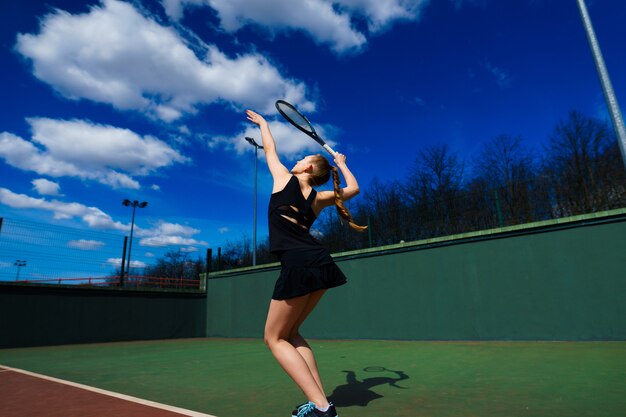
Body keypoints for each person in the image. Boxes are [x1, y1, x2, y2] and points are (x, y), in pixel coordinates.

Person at [246, 109, 365, 417]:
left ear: (309, 167)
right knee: (293, 332)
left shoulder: (284, 178)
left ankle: (323, 408)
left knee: (273, 338)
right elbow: (353, 190)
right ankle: (319, 401)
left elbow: (270, 150)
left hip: (299, 263)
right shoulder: (319, 197)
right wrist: (342, 165)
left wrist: (264, 124)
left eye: (302, 158)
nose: (296, 159)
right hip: (320, 263)